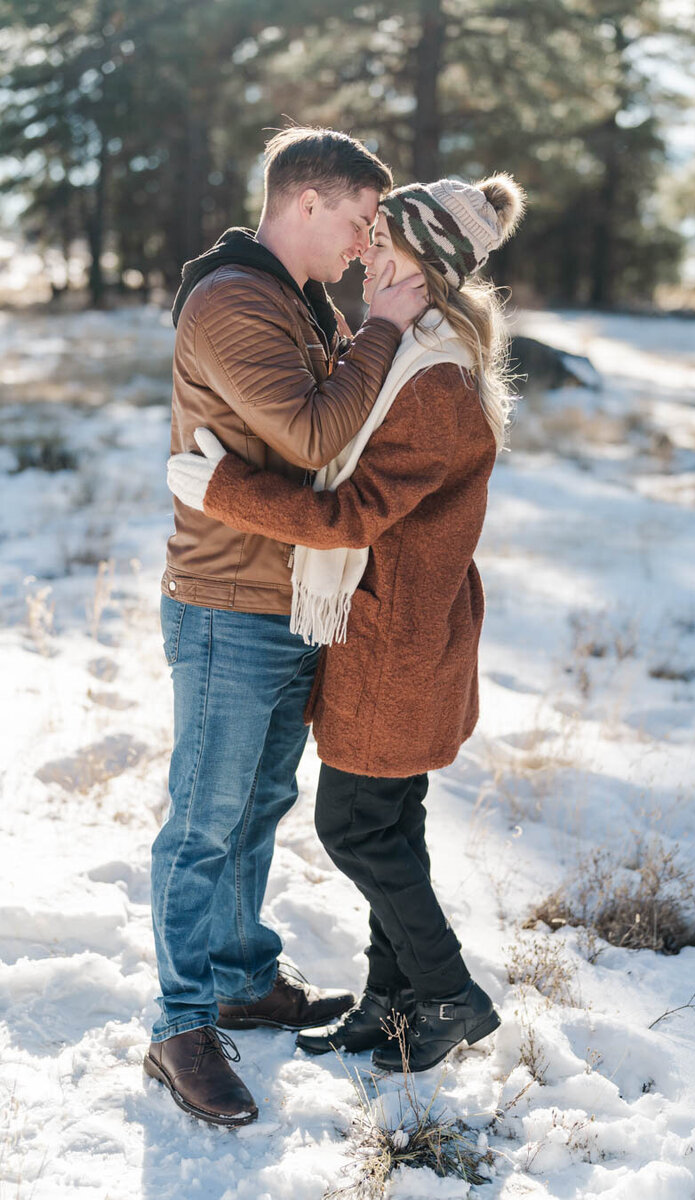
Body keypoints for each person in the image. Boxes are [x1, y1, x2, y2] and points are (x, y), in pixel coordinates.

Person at [167, 172, 525, 1075]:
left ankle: (446, 994)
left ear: (428, 268)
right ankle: (391, 1004)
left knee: (357, 828)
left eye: (386, 241)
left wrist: (224, 492)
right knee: (390, 823)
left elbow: (350, 516)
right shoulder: (417, 353)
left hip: (395, 639)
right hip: (400, 625)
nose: (368, 254)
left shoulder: (428, 377)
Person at [146, 126, 428, 1128]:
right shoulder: (232, 302)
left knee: (257, 802)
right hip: (228, 605)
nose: (364, 247)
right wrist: (383, 326)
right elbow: (315, 432)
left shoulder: (289, 300)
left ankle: (236, 976)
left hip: (282, 597)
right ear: (306, 202)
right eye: (358, 221)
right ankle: (179, 1025)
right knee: (203, 820)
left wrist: (359, 331)